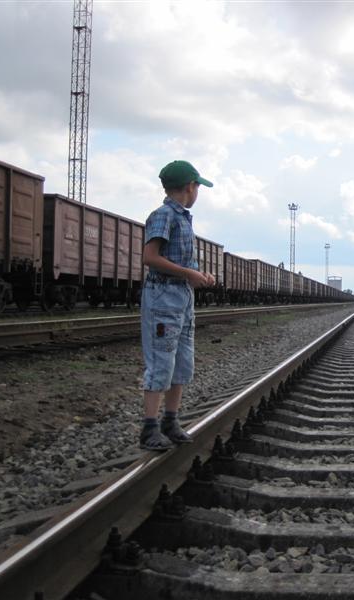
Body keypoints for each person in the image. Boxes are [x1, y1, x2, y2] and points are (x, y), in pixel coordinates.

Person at [139, 160, 216, 451]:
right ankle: (149, 428)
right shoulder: (163, 216)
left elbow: (181, 261)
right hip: (163, 297)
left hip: (182, 297)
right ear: (189, 187)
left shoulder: (183, 218)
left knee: (182, 361)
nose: (198, 192)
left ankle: (170, 421)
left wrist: (200, 274)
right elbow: (150, 257)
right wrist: (189, 274)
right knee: (161, 360)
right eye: (198, 186)